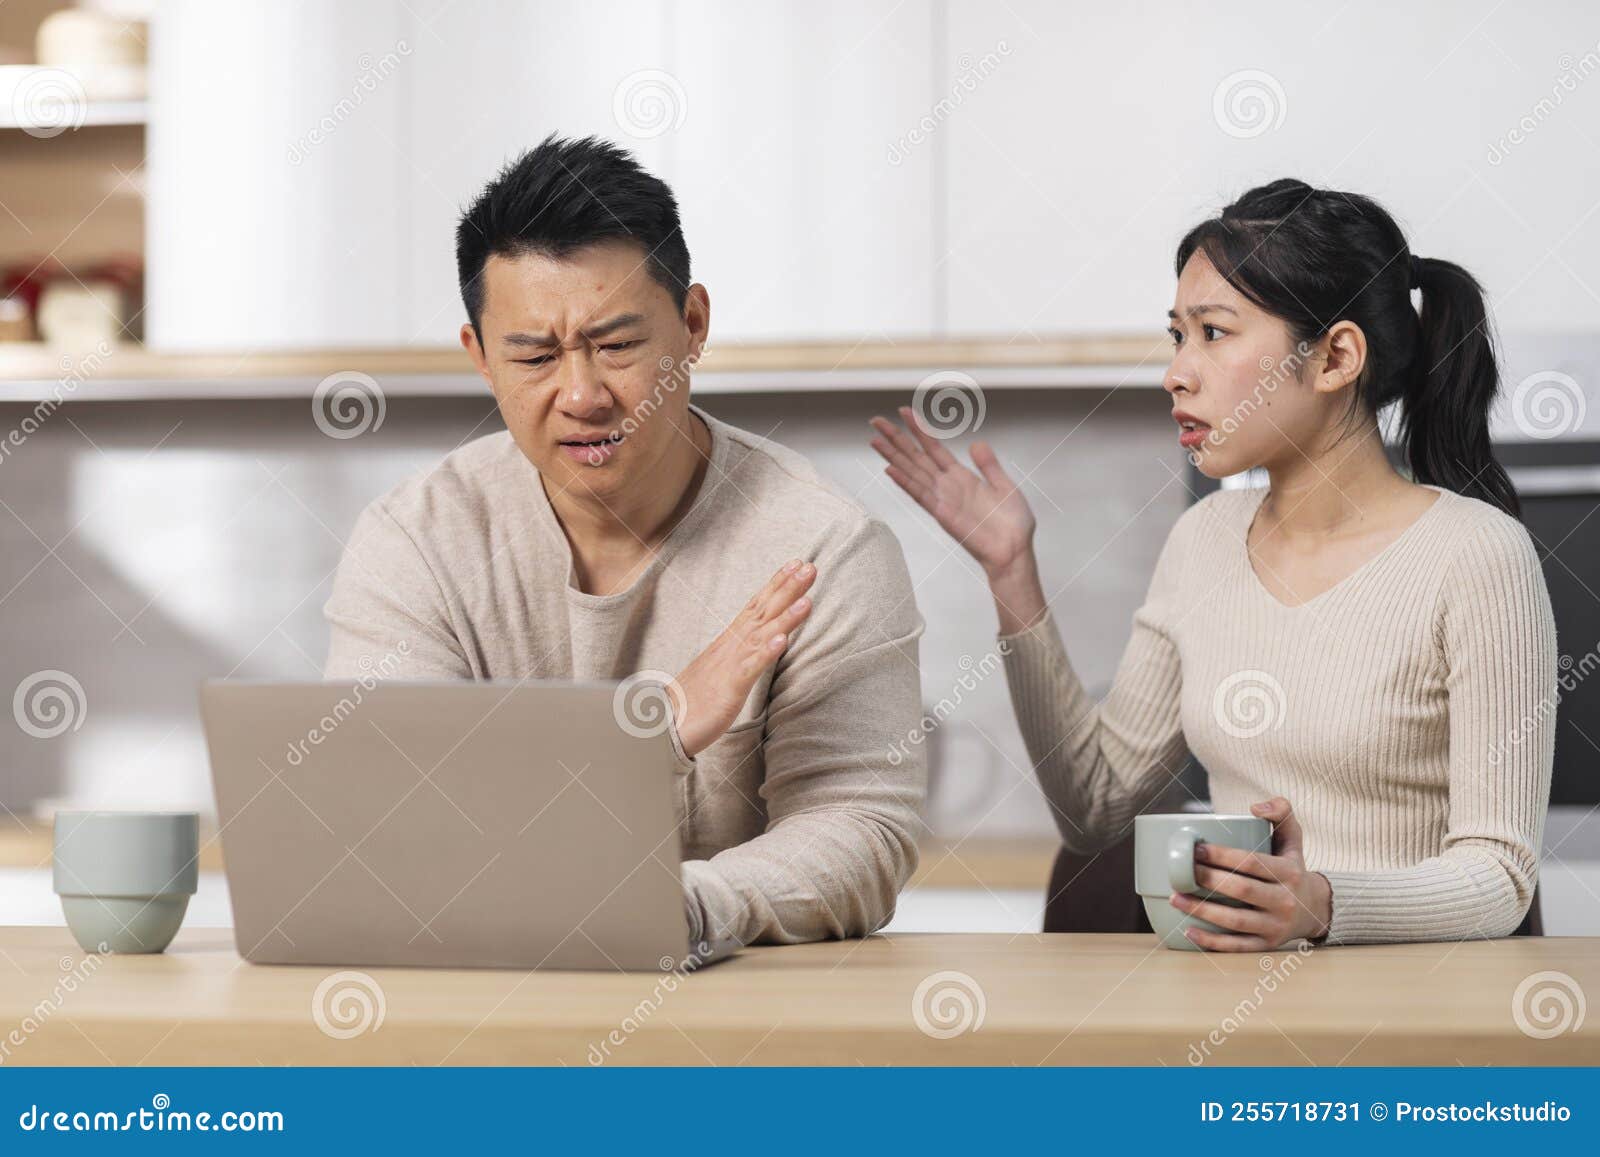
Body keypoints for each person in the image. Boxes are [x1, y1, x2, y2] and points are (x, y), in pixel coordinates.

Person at [871, 178, 1557, 949]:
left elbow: (1499, 878)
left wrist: (1322, 903)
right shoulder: (1203, 539)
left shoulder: (1476, 556)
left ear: (1335, 357)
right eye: (1177, 336)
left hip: (1410, 1027)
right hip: (1233, 1012)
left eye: (1215, 332)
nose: (1177, 371)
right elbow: (1095, 808)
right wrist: (1009, 572)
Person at [324, 135, 926, 947]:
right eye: (534, 355)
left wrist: (673, 911)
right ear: (480, 360)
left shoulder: (823, 546)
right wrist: (657, 728)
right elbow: (400, 833)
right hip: (478, 1020)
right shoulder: (416, 545)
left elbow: (860, 829)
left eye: (616, 346)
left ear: (693, 324)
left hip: (741, 1032)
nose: (582, 394)